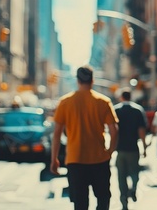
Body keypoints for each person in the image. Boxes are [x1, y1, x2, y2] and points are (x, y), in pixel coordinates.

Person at [50, 66, 119, 210]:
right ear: (92, 80)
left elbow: (56, 133)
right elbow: (114, 131)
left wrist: (54, 159)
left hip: (75, 159)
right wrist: (110, 152)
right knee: (103, 199)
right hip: (99, 159)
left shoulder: (65, 102)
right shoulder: (103, 101)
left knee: (80, 203)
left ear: (77, 80)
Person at [114, 89, 148, 210]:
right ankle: (133, 187)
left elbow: (113, 130)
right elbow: (142, 130)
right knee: (135, 172)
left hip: (120, 149)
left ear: (121, 97)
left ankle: (124, 202)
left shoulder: (116, 110)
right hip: (133, 148)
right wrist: (144, 147)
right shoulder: (138, 110)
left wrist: (112, 147)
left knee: (121, 176)